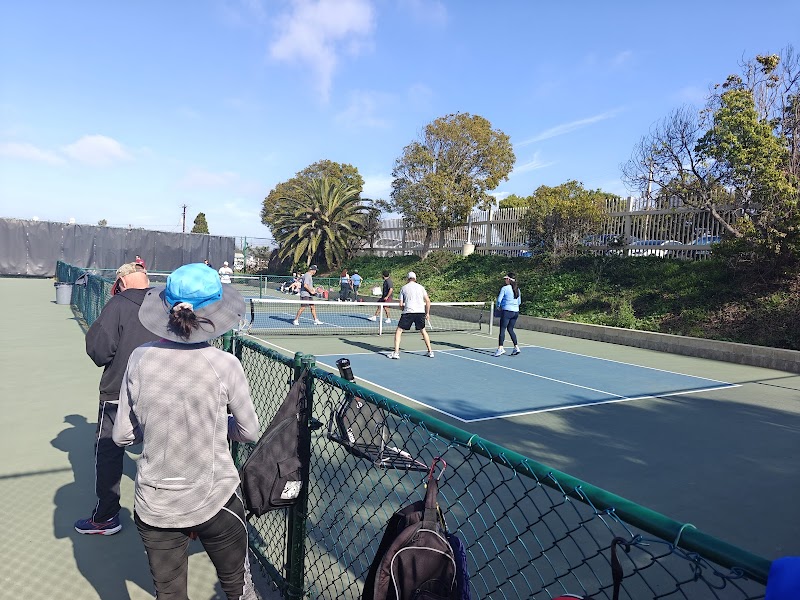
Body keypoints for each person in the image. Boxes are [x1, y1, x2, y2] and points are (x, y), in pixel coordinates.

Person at [113, 263, 259, 600]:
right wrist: (212, 424)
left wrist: (159, 422)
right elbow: (249, 431)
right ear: (216, 311)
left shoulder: (139, 358)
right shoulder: (225, 363)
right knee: (240, 590)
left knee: (169, 594)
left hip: (155, 504)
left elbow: (123, 435)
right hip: (217, 497)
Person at [74, 262, 159, 535]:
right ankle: (171, 517)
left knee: (109, 451)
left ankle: (106, 517)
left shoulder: (118, 304)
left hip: (119, 392)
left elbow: (99, 351)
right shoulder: (167, 303)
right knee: (164, 452)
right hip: (165, 391)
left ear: (121, 283)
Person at [389, 272, 433, 359]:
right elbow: (428, 301)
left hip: (408, 312)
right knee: (423, 331)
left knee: (399, 331)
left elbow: (401, 304)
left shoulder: (404, 288)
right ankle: (430, 352)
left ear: (407, 279)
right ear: (415, 279)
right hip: (420, 312)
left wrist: (403, 310)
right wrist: (427, 313)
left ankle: (396, 353)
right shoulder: (421, 287)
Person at [494, 271, 522, 357]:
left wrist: (498, 306)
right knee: (510, 329)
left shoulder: (504, 288)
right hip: (515, 312)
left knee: (502, 330)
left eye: (506, 279)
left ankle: (500, 348)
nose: (505, 280)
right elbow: (519, 302)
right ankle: (516, 347)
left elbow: (499, 300)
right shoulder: (517, 289)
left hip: (507, 312)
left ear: (509, 280)